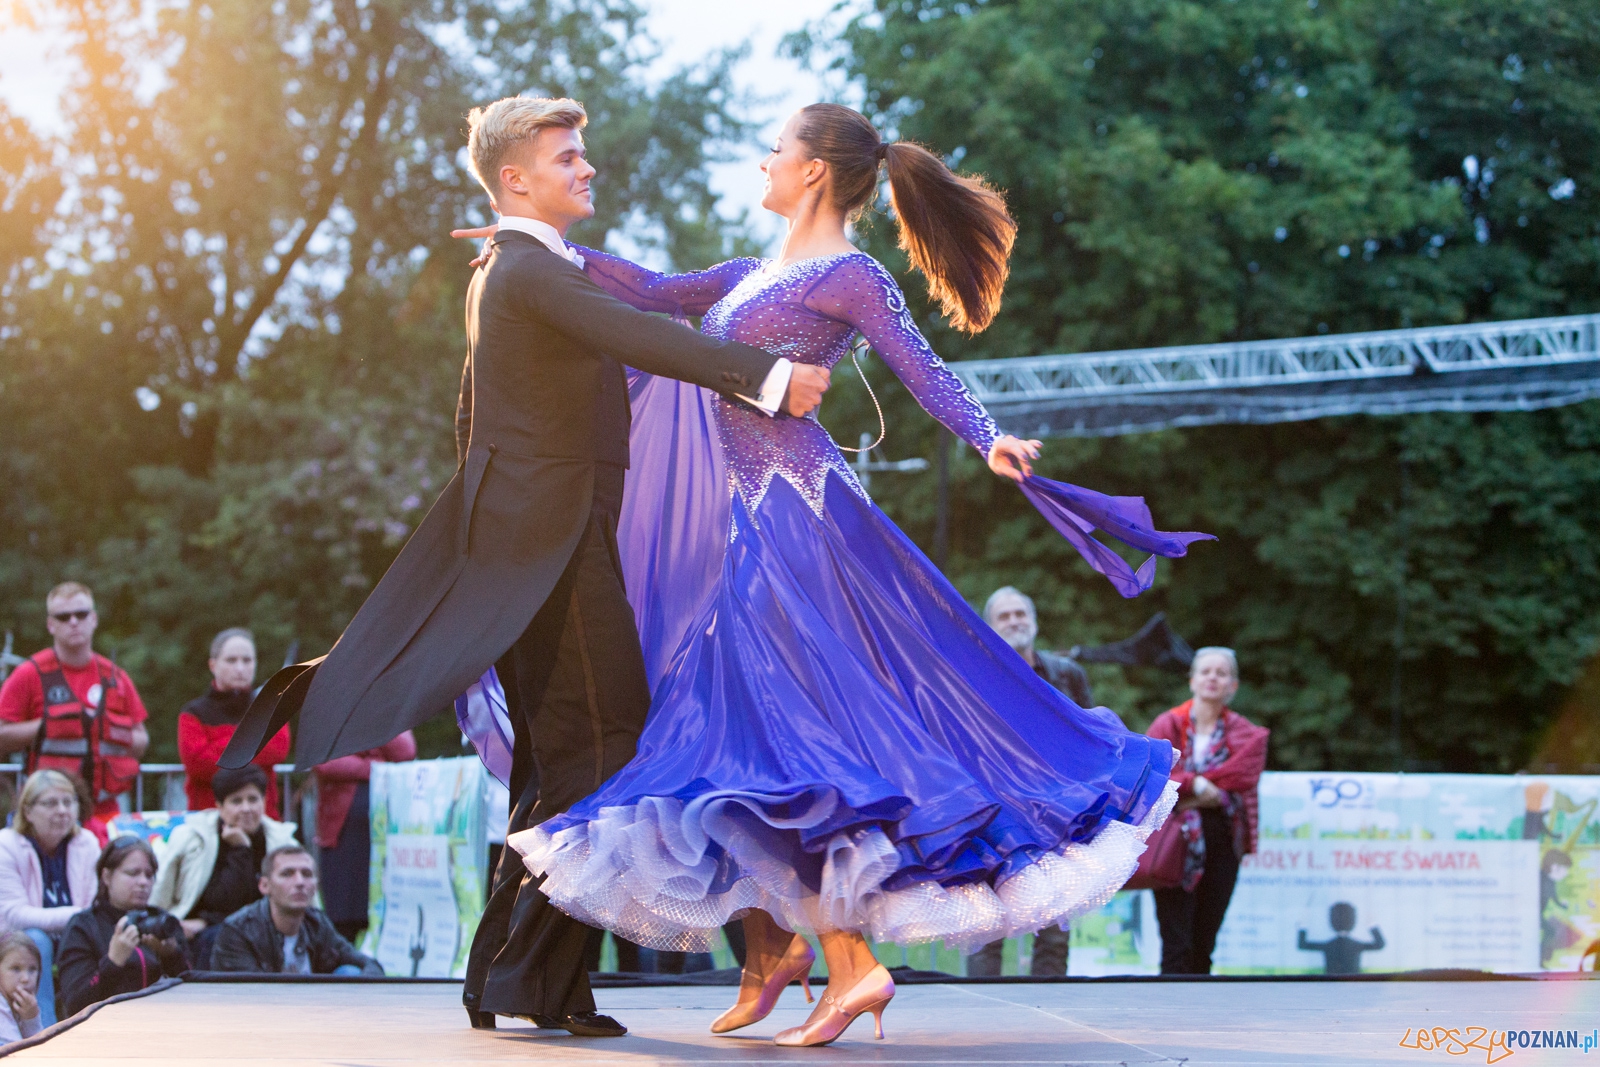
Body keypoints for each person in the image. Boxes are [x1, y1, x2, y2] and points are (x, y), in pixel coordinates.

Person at [458, 102, 1208, 1047]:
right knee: (742, 731)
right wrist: (527, 249)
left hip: (802, 521)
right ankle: (774, 948)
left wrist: (991, 439)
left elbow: (924, 368)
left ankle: (845, 963)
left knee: (789, 732)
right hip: (748, 529)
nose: (763, 163)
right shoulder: (745, 275)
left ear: (812, 172)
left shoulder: (849, 276)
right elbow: (643, 293)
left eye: (776, 151)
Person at [220, 95, 829, 1041]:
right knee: (601, 746)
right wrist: (769, 375)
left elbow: (529, 385)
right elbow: (640, 337)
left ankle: (519, 978)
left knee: (561, 760)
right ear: (516, 179)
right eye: (568, 157)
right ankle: (525, 975)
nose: (587, 167)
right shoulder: (526, 271)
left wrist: (761, 279)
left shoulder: (524, 272)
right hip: (547, 553)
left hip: (542, 546)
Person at [965, 586, 1087, 978]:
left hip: (1057, 807)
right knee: (988, 914)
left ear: (1033, 620)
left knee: (1055, 911)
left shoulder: (1066, 675)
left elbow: (1090, 737)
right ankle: (983, 1011)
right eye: (1005, 616)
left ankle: (1051, 1008)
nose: (1015, 620)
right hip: (995, 807)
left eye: (1021, 613)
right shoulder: (971, 677)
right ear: (989, 627)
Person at [1146, 647, 1268, 975]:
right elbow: (1149, 774)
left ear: (1233, 686)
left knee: (1204, 942)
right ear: (1192, 681)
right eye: (1206, 671)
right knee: (1175, 941)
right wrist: (1195, 785)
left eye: (1221, 672)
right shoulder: (1168, 724)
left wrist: (1185, 788)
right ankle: (1169, 1019)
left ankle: (1200, 1021)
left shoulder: (1247, 735)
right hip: (1173, 842)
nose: (1213, 677)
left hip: (1223, 844)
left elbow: (1243, 778)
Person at [0, 583, 149, 821]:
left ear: (94, 619)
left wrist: (110, 730)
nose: (73, 622)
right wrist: (46, 727)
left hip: (105, 812)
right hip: (48, 812)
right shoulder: (29, 674)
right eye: (63, 616)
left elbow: (142, 741)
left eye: (81, 614)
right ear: (51, 624)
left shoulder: (115, 677)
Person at [150, 765, 297, 968]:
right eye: (236, 801)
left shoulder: (281, 841)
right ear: (219, 806)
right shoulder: (191, 837)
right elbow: (164, 895)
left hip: (267, 934)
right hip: (197, 939)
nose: (246, 808)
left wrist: (242, 849)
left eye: (253, 799)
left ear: (264, 802)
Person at [0, 771, 100, 1027]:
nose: (62, 810)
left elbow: (95, 905)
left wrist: (81, 918)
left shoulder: (86, 843)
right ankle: (44, 1029)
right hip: (16, 941)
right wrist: (77, 915)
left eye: (69, 802)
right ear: (28, 811)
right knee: (37, 939)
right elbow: (14, 915)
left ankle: (98, 1023)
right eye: (50, 803)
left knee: (99, 937)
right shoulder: (6, 845)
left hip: (72, 936)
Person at [56, 838, 188, 1016]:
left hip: (161, 1024)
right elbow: (75, 1004)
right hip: (105, 1032)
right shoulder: (83, 926)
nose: (143, 882)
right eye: (133, 873)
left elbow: (193, 991)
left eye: (149, 875)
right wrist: (113, 962)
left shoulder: (163, 922)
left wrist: (172, 956)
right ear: (107, 877)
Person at [210, 845, 381, 976]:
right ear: (264, 885)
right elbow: (249, 995)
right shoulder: (239, 930)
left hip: (313, 1012)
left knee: (351, 973)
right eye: (287, 874)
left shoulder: (316, 923)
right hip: (260, 1017)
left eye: (307, 874)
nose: (300, 882)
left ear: (315, 886)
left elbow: (368, 965)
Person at [312, 730, 416, 943]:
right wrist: (377, 766)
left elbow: (406, 752)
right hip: (342, 833)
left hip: (385, 831)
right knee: (342, 915)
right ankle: (341, 971)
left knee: (385, 914)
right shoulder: (329, 713)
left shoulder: (389, 709)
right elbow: (324, 762)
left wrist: (380, 720)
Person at [178, 629, 291, 817]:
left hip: (262, 821)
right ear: (213, 665)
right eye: (231, 660)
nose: (240, 668)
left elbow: (278, 748)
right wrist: (252, 742)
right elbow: (199, 764)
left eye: (247, 660)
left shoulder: (270, 707)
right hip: (209, 822)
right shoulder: (193, 712)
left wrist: (219, 747)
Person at [1297, 902, 1384, 974]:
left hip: (1333, 986)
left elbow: (1302, 944)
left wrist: (1303, 926)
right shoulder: (1356, 945)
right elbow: (1379, 944)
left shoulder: (1329, 945)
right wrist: (1372, 925)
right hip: (1352, 985)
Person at [0, 933, 43, 1043]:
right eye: (16, 969)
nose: (26, 979)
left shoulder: (24, 1004)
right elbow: (14, 1052)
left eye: (32, 969)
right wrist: (31, 1021)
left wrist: (30, 1017)